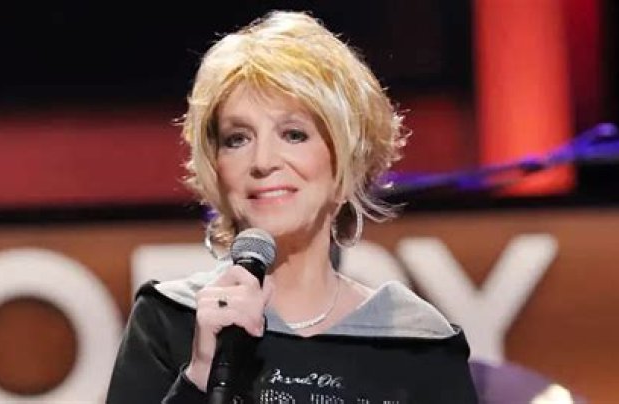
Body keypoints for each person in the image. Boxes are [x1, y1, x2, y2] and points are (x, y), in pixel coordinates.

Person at [106, 10, 477, 403]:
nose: (263, 161)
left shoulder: (416, 342)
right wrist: (200, 375)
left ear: (346, 160)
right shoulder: (170, 319)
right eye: (237, 138)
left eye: (294, 134)